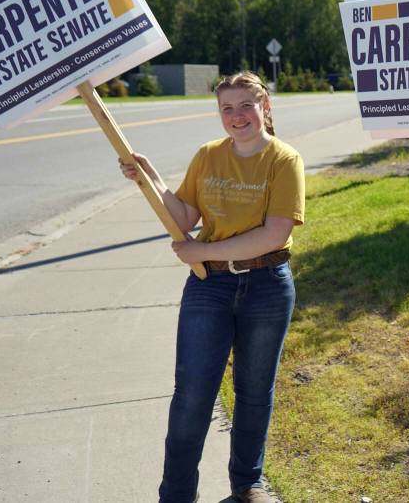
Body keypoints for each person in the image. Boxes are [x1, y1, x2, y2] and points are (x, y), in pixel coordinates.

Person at [120, 71, 304, 503]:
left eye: (246, 106)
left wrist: (203, 252)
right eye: (227, 108)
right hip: (210, 288)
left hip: (267, 285)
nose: (236, 116)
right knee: (192, 394)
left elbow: (275, 234)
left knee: (255, 390)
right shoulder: (207, 156)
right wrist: (150, 180)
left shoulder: (284, 159)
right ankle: (177, 495)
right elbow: (184, 219)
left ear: (265, 108)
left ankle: (247, 484)